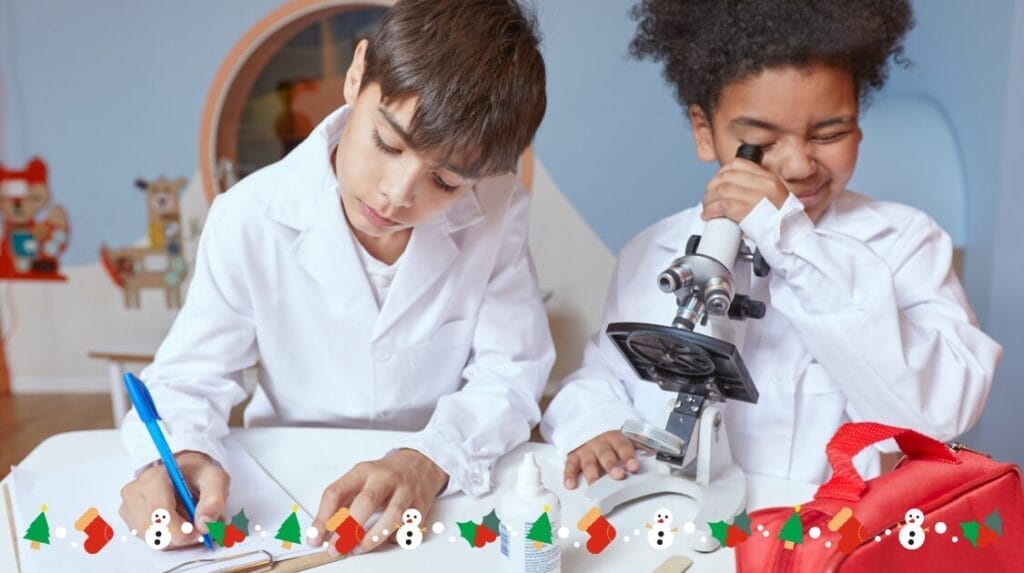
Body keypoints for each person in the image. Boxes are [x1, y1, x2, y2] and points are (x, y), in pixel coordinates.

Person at [119, 0, 552, 555]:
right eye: (387, 144)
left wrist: (431, 456)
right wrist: (181, 457)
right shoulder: (249, 215)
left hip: (434, 487)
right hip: (288, 485)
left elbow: (510, 372)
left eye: (444, 182)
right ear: (356, 75)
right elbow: (190, 377)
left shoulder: (498, 211)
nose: (398, 193)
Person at [542, 0, 1002, 490]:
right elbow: (602, 377)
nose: (800, 165)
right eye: (763, 140)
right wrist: (594, 425)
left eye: (831, 132)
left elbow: (935, 416)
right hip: (685, 524)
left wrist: (790, 242)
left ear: (859, 122)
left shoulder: (906, 242)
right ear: (705, 132)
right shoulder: (653, 250)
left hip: (830, 536)